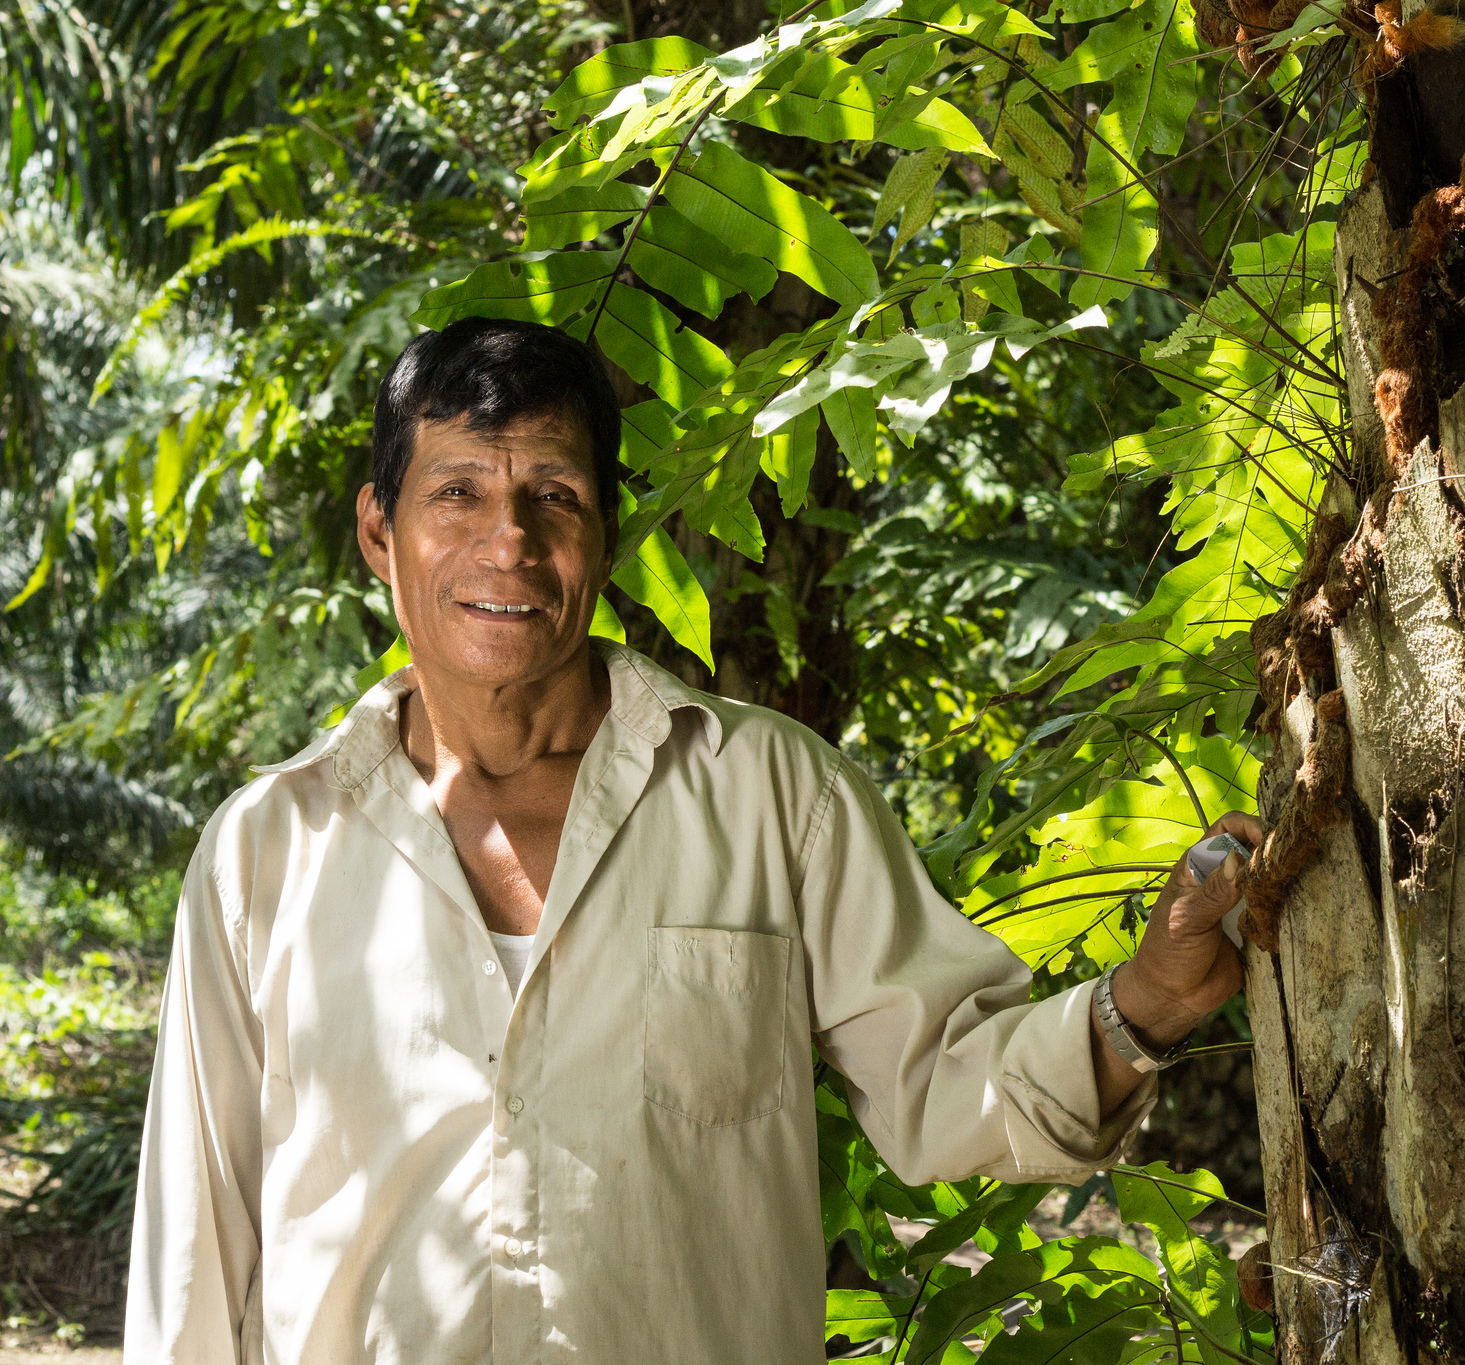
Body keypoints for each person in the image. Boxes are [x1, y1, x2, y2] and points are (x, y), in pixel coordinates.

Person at [124, 317, 1263, 1363]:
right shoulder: (268, 852)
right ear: (381, 533)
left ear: (606, 532)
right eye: (456, 493)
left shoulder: (770, 798)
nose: (506, 542)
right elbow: (194, 1250)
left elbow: (940, 1086)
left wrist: (1149, 999)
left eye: (552, 495)